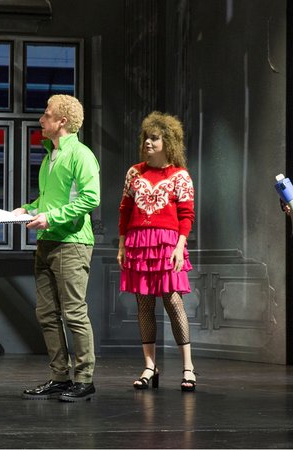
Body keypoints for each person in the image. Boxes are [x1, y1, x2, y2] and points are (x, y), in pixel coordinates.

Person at [14, 94, 101, 402]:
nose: (41, 119)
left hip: (72, 243)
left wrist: (49, 217)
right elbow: (49, 200)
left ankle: (84, 378)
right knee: (47, 314)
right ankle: (59, 377)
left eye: (46, 114)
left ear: (62, 121)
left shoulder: (81, 154)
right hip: (47, 243)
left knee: (74, 313)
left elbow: (91, 198)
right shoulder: (51, 155)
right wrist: (26, 209)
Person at [117, 111, 197, 392]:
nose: (148, 143)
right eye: (146, 138)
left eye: (155, 138)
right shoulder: (134, 172)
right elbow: (125, 210)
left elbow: (187, 214)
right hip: (139, 244)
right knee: (144, 305)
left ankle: (188, 366)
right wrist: (122, 244)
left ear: (169, 141)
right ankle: (150, 365)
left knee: (174, 302)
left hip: (166, 244)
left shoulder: (180, 175)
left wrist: (179, 246)